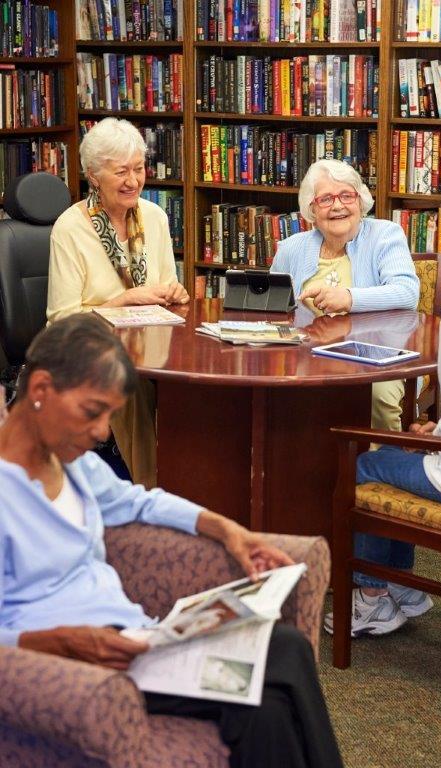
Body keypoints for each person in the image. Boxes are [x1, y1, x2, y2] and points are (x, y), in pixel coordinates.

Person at [0, 314, 343, 768]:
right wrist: (60, 642)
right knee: (280, 662)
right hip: (77, 670)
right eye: (92, 412)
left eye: (110, 416)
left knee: (274, 685)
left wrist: (231, 531)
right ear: (41, 390)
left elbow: (141, 504)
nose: (103, 432)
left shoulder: (73, 463)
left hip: (137, 640)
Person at [325, 163, 441, 638]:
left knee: (367, 463)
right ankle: (400, 588)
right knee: (400, 451)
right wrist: (436, 436)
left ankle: (371, 596)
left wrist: (432, 436)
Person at [47, 117, 189, 489]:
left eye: (139, 169)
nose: (133, 181)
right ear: (93, 176)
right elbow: (60, 324)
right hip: (90, 352)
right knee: (131, 384)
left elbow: (167, 292)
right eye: (120, 172)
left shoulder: (155, 217)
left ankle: (195, 486)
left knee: (197, 388)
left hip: (153, 347)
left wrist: (175, 294)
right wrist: (121, 301)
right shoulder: (69, 228)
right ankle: (150, 491)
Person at [271, 159, 420, 433]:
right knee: (274, 390)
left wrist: (348, 298)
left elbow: (407, 292)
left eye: (346, 196)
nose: (338, 205)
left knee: (376, 394)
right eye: (326, 199)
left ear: (360, 200)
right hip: (308, 355)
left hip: (376, 356)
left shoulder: (385, 235)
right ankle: (303, 466)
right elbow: (273, 307)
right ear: (312, 209)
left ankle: (382, 463)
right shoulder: (291, 248)